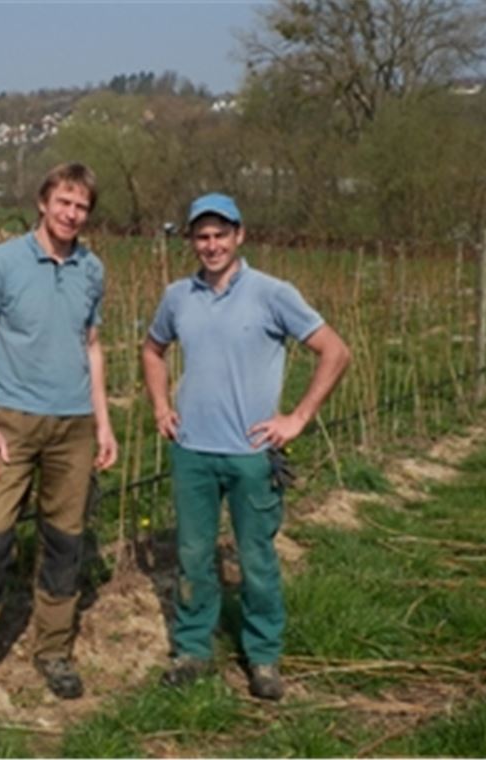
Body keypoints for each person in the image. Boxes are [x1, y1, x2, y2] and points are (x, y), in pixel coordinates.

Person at [141, 192, 350, 700]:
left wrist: (298, 417)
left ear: (239, 236)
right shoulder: (177, 296)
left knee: (255, 557)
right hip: (192, 450)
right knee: (194, 555)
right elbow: (153, 348)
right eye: (202, 236)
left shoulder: (273, 294)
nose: (211, 245)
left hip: (251, 454)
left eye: (220, 235)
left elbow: (335, 351)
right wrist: (160, 405)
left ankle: (263, 657)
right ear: (192, 240)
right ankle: (193, 649)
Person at [0, 163, 118, 710]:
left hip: (74, 426)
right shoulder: (1, 263)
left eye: (81, 206)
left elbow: (93, 347)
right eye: (63, 202)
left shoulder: (92, 268)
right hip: (10, 422)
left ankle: (53, 650)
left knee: (65, 541)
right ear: (43, 202)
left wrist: (103, 422)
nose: (71, 214)